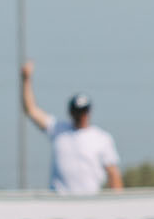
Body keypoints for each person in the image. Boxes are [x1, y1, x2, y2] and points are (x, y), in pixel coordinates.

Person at [19, 61, 123, 194]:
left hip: (90, 202)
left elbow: (113, 174)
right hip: (59, 201)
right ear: (71, 112)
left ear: (89, 112)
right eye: (77, 112)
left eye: (83, 112)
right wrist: (26, 80)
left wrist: (117, 202)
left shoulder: (102, 138)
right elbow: (31, 110)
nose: (80, 116)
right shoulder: (58, 129)